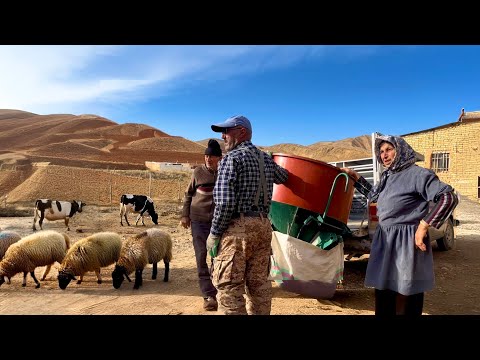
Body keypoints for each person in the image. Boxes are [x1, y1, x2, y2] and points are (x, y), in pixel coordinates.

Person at [341, 134, 458, 316]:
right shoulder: (388, 176)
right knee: (384, 292)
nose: (384, 155)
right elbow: (374, 196)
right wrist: (356, 178)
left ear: (401, 150)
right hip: (385, 241)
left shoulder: (417, 174)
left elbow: (448, 197)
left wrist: (423, 225)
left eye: (389, 150)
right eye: (381, 152)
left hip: (406, 244)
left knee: (405, 294)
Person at [206, 115, 289, 315]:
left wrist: (215, 233)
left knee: (229, 289)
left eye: (227, 131)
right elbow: (284, 176)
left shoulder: (231, 159)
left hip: (237, 230)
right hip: (263, 227)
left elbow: (225, 203)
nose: (223, 136)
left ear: (242, 132)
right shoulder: (265, 160)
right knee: (259, 286)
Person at [180, 139, 222, 311]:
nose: (208, 159)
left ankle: (218, 286)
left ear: (220, 158)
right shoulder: (198, 172)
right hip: (198, 221)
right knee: (201, 256)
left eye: (211, 156)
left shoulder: (225, 173)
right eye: (206, 156)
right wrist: (185, 215)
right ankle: (208, 295)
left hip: (219, 222)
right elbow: (188, 194)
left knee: (218, 256)